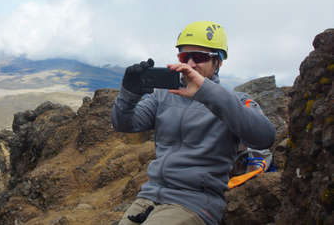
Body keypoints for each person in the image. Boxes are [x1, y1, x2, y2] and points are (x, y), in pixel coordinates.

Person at [111, 21, 276, 225]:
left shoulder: (236, 102)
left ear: (218, 62)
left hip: (196, 203)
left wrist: (207, 93)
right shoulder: (163, 96)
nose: (190, 64)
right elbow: (124, 124)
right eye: (184, 56)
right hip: (149, 197)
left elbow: (265, 137)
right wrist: (129, 92)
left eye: (199, 57)